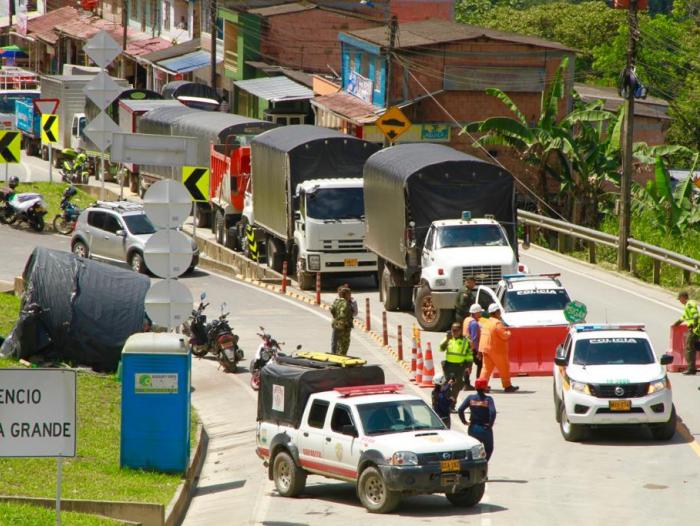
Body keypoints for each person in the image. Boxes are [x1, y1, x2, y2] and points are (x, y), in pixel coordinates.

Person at [479, 303, 519, 392]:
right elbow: (504, 335)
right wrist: (509, 332)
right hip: (496, 349)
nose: (500, 313)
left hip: (485, 348)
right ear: (496, 312)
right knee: (504, 367)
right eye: (499, 311)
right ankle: (507, 386)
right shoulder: (497, 323)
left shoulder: (486, 322)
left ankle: (481, 386)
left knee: (486, 368)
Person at [458, 378, 496, 460]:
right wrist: (490, 425)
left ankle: (476, 465)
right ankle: (484, 462)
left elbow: (460, 409)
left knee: (473, 450)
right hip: (484, 428)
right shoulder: (488, 399)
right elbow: (492, 412)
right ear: (485, 387)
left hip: (473, 428)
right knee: (489, 449)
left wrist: (464, 421)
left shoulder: (470, 398)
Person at [439, 322, 473, 393]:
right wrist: (447, 340)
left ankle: (453, 398)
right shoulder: (448, 338)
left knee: (457, 384)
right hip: (449, 365)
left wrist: (469, 365)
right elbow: (441, 349)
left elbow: (469, 354)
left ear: (460, 330)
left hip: (460, 366)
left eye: (456, 330)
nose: (454, 332)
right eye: (452, 330)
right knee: (447, 383)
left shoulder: (465, 341)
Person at [674, 291, 700, 375]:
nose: (680, 301)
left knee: (689, 348)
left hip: (694, 328)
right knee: (694, 346)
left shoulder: (689, 304)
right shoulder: (687, 305)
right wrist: (677, 322)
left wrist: (694, 325)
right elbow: (685, 316)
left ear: (683, 297)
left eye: (680, 299)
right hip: (694, 328)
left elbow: (695, 315)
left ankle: (691, 369)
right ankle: (692, 367)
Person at [330, 287, 353, 356]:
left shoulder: (337, 301)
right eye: (349, 294)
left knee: (335, 342)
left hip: (335, 324)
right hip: (343, 327)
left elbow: (332, 310)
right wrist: (345, 324)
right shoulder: (345, 303)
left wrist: (336, 318)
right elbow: (343, 315)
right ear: (346, 295)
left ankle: (334, 355)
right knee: (344, 344)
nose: (350, 296)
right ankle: (341, 357)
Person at [463, 303, 484, 381]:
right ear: (476, 313)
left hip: (465, 346)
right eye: (480, 312)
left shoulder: (467, 319)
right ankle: (479, 382)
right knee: (480, 364)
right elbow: (474, 339)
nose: (481, 314)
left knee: (468, 365)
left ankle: (466, 383)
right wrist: (478, 352)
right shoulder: (474, 323)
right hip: (472, 348)